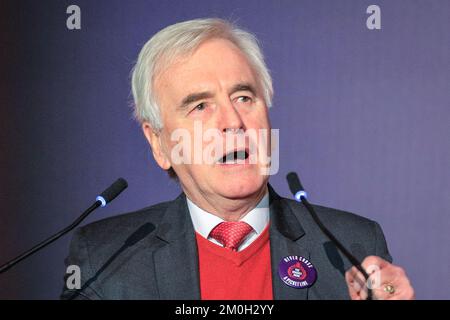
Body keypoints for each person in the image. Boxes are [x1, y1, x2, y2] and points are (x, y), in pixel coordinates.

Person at [61, 18, 414, 300]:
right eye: (200, 106)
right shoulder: (103, 260)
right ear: (159, 144)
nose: (232, 121)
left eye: (244, 97)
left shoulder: (351, 245)